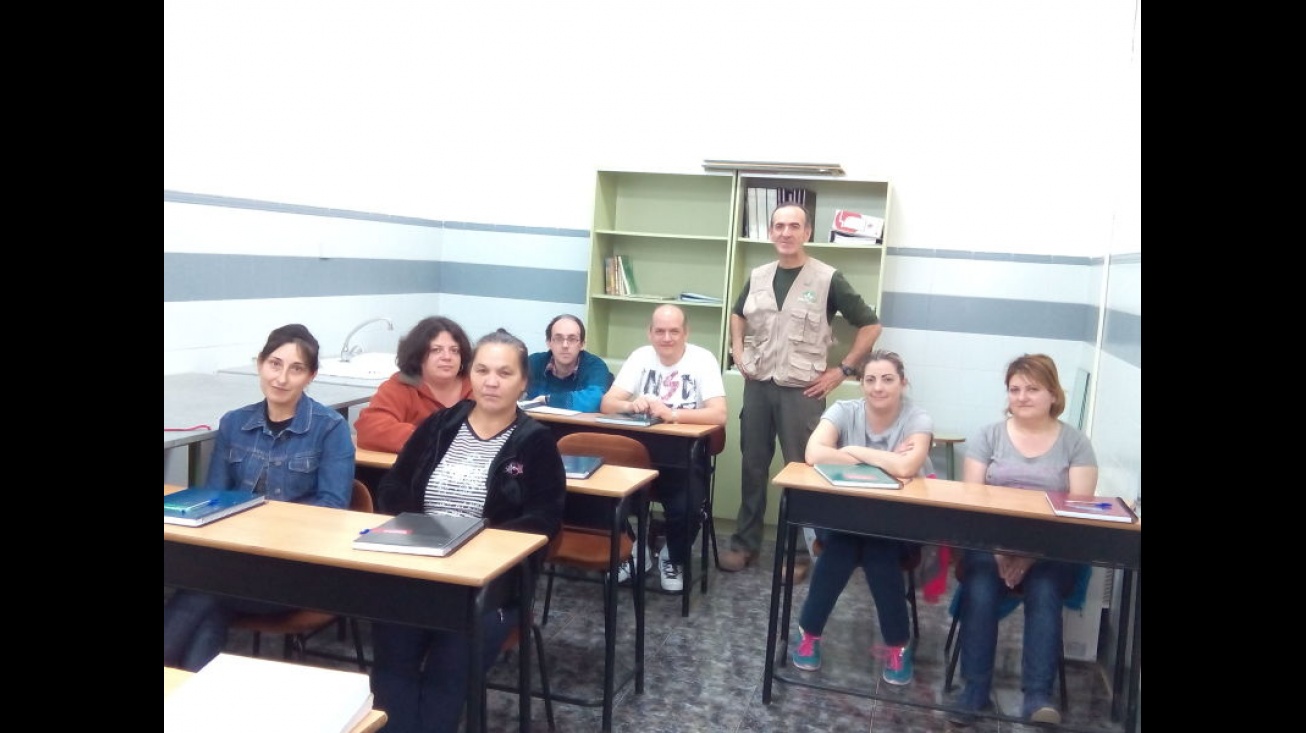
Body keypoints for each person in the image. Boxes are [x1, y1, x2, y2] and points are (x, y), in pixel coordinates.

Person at [368, 328, 566, 733]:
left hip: (488, 586)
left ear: (523, 382)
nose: (491, 382)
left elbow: (543, 522)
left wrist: (474, 542)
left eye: (505, 373)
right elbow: (392, 487)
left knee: (451, 663)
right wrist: (425, 531)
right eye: (482, 370)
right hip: (419, 570)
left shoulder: (535, 443)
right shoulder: (439, 426)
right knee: (393, 657)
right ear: (469, 375)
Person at [163, 323, 355, 671]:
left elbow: (333, 509)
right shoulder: (235, 423)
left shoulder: (330, 429)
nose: (281, 377)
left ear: (310, 376)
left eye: (296, 369)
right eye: (275, 364)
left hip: (297, 571)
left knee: (202, 592)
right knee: (207, 599)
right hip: (233, 564)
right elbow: (212, 501)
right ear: (260, 364)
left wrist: (259, 522)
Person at [720, 202, 883, 581]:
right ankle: (745, 545)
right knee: (753, 467)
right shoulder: (758, 275)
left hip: (803, 391)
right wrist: (739, 351)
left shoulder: (827, 278)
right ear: (771, 232)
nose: (786, 233)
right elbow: (738, 312)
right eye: (779, 226)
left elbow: (870, 325)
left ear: (807, 232)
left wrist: (842, 371)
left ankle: (800, 553)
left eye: (794, 226)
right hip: (758, 386)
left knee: (802, 472)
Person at [951, 354, 1099, 726]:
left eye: (1032, 388)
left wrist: (1028, 558)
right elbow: (974, 501)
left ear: (1053, 393)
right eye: (1015, 389)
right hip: (990, 542)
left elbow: (1076, 513)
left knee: (1046, 587)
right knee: (982, 583)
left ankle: (1037, 698)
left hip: (1051, 549)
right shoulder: (989, 435)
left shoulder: (1076, 443)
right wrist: (1001, 553)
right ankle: (974, 692)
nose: (1022, 396)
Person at [789, 350, 932, 685]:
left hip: (897, 524)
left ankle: (895, 645)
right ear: (860, 383)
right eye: (870, 379)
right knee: (844, 545)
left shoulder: (917, 418)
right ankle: (811, 636)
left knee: (877, 551)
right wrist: (886, 460)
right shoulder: (844, 410)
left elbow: (909, 467)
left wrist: (853, 452)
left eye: (887, 379)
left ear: (902, 383)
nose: (878, 387)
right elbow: (813, 453)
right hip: (844, 517)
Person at [600, 304, 727, 592]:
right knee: (605, 493)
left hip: (685, 453)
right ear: (650, 332)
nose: (666, 338)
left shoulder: (702, 359)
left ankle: (673, 555)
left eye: (674, 331)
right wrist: (631, 405)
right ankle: (634, 551)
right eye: (660, 331)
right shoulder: (640, 357)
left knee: (687, 505)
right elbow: (608, 403)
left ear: (686, 333)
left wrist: (674, 414)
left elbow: (719, 414)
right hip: (641, 452)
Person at [354, 316, 473, 454]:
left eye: (454, 350)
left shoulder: (477, 386)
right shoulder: (400, 386)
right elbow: (371, 429)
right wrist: (435, 438)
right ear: (418, 354)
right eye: (436, 350)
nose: (447, 357)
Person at [524, 313, 613, 412]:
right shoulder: (533, 363)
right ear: (549, 343)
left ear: (582, 344)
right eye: (558, 338)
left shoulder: (595, 366)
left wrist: (548, 400)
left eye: (572, 339)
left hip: (578, 426)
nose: (565, 345)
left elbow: (594, 401)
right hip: (537, 424)